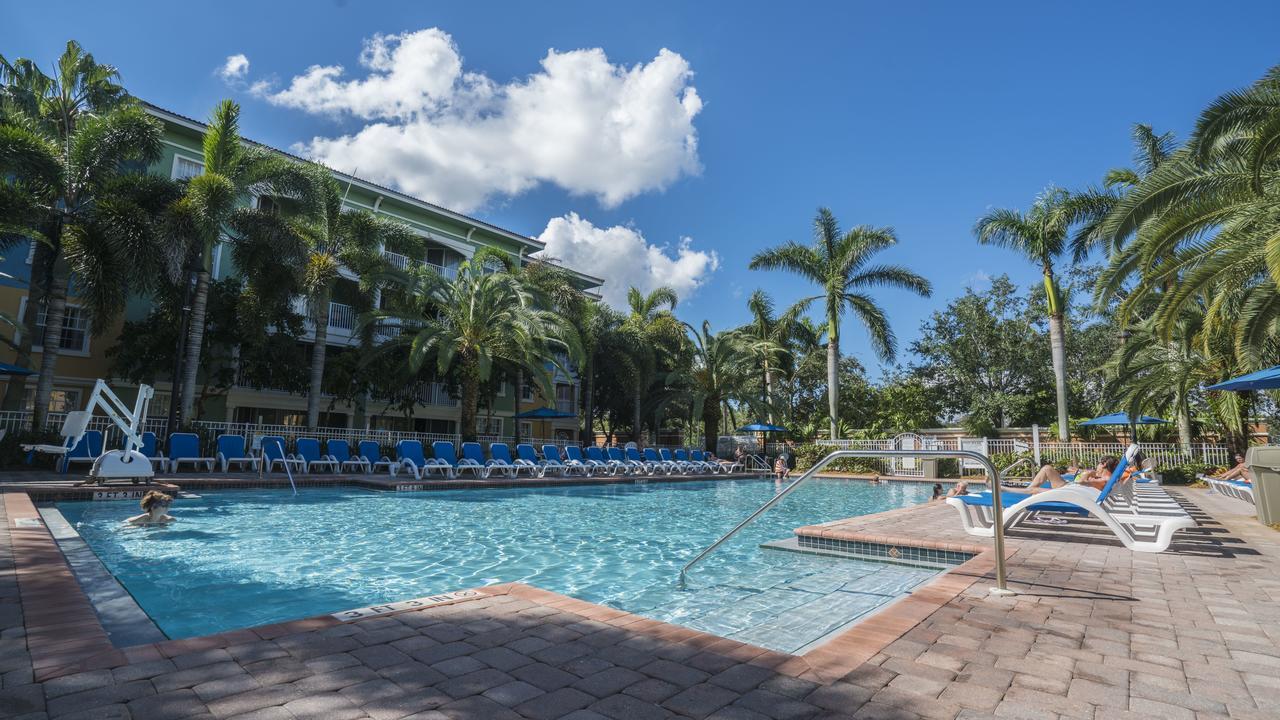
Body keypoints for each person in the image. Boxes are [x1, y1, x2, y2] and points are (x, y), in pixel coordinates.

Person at [1027, 456, 1118, 494]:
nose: (1097, 466)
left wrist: (1088, 473)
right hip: (1072, 489)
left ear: (1104, 464)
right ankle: (1028, 491)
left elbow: (1080, 482)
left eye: (1099, 463)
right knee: (1047, 470)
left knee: (1047, 469)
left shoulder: (1105, 479)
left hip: (1069, 491)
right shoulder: (1107, 478)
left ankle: (1026, 493)